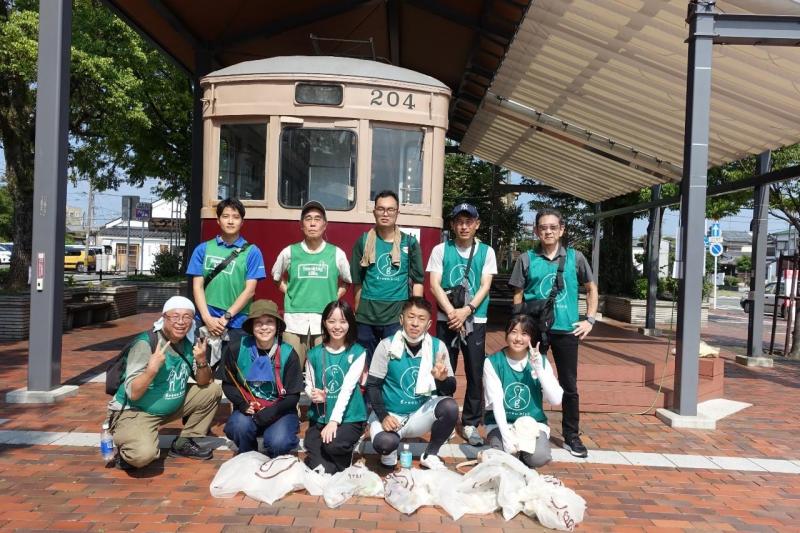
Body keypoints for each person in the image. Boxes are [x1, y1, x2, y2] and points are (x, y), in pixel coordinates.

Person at [508, 208, 598, 458]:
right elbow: (518, 295)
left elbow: (591, 288)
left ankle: (571, 435)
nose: (548, 231)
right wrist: (519, 327)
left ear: (561, 230)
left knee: (569, 384)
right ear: (536, 231)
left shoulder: (575, 258)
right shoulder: (526, 258)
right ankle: (528, 429)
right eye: (543, 227)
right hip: (534, 330)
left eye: (553, 227)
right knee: (529, 379)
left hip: (567, 330)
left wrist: (589, 320)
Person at [107, 296, 222, 470]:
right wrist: (151, 370)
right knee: (142, 456)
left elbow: (203, 381)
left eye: (187, 317)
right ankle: (127, 447)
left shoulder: (190, 342)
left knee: (211, 390)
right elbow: (133, 393)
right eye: (175, 316)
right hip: (136, 411)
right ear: (164, 318)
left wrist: (201, 360)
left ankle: (183, 443)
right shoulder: (145, 344)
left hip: (168, 404)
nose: (181, 322)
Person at [427, 202, 497, 446]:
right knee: (443, 370)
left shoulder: (487, 252)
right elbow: (434, 284)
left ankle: (470, 423)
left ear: (477, 224)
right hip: (446, 319)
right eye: (459, 222)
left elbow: (485, 285)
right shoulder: (440, 249)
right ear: (452, 225)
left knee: (475, 372)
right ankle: (443, 419)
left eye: (469, 222)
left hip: (475, 319)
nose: (464, 226)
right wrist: (451, 312)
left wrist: (467, 310)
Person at [366, 297, 458, 470]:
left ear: (429, 324)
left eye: (421, 319)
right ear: (401, 319)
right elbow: (373, 385)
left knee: (450, 407)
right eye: (411, 317)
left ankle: (430, 454)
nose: (415, 323)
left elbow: (451, 388)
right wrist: (383, 416)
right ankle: (389, 452)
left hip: (419, 414)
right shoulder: (386, 346)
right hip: (392, 415)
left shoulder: (437, 347)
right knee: (384, 444)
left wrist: (442, 380)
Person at [187, 198, 266, 367]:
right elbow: (197, 286)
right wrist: (207, 318)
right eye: (225, 216)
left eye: (236, 217)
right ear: (218, 220)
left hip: (237, 322)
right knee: (201, 368)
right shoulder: (202, 249)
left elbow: (250, 291)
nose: (230, 221)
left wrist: (226, 317)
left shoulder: (252, 252)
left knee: (232, 372)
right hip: (205, 319)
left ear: (242, 222)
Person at [220, 299, 303, 456]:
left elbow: (293, 395)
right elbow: (228, 383)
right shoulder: (236, 348)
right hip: (249, 410)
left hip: (280, 411)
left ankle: (278, 446)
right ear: (252, 327)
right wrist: (242, 404)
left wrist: (273, 410)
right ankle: (248, 453)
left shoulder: (289, 353)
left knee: (279, 442)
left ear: (277, 326)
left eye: (269, 322)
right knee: (238, 426)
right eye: (258, 323)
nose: (264, 327)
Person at [272, 201, 351, 367]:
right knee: (291, 368)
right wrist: (290, 292)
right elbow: (276, 277)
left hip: (325, 321)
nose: (313, 223)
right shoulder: (289, 252)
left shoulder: (337, 253)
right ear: (302, 225)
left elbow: (347, 281)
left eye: (317, 219)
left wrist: (333, 296)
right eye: (308, 219)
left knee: (323, 369)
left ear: (325, 225)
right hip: (294, 321)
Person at [351, 190, 425, 361]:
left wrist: (415, 314)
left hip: (396, 317)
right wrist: (358, 313)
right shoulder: (363, 241)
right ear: (374, 212)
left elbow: (418, 281)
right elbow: (358, 282)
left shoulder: (410, 243)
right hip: (367, 317)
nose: (385, 214)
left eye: (390, 209)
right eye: (381, 209)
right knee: (365, 365)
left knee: (394, 364)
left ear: (397, 212)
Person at [484, 315, 563, 468]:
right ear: (506, 334)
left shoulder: (540, 361)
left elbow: (556, 400)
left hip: (533, 424)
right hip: (502, 424)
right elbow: (497, 404)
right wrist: (506, 439)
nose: (518, 338)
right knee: (501, 460)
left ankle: (523, 455)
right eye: (513, 332)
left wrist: (539, 369)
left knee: (539, 458)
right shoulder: (493, 362)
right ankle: (511, 452)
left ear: (531, 337)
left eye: (525, 333)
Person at [304, 300, 368, 473]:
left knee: (333, 445)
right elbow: (308, 383)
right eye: (332, 321)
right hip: (320, 417)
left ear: (350, 323)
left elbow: (347, 389)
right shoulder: (314, 353)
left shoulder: (357, 352)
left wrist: (333, 421)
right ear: (325, 323)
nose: (337, 326)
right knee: (320, 468)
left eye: (343, 321)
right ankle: (336, 465)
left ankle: (347, 450)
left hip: (349, 417)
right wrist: (313, 394)